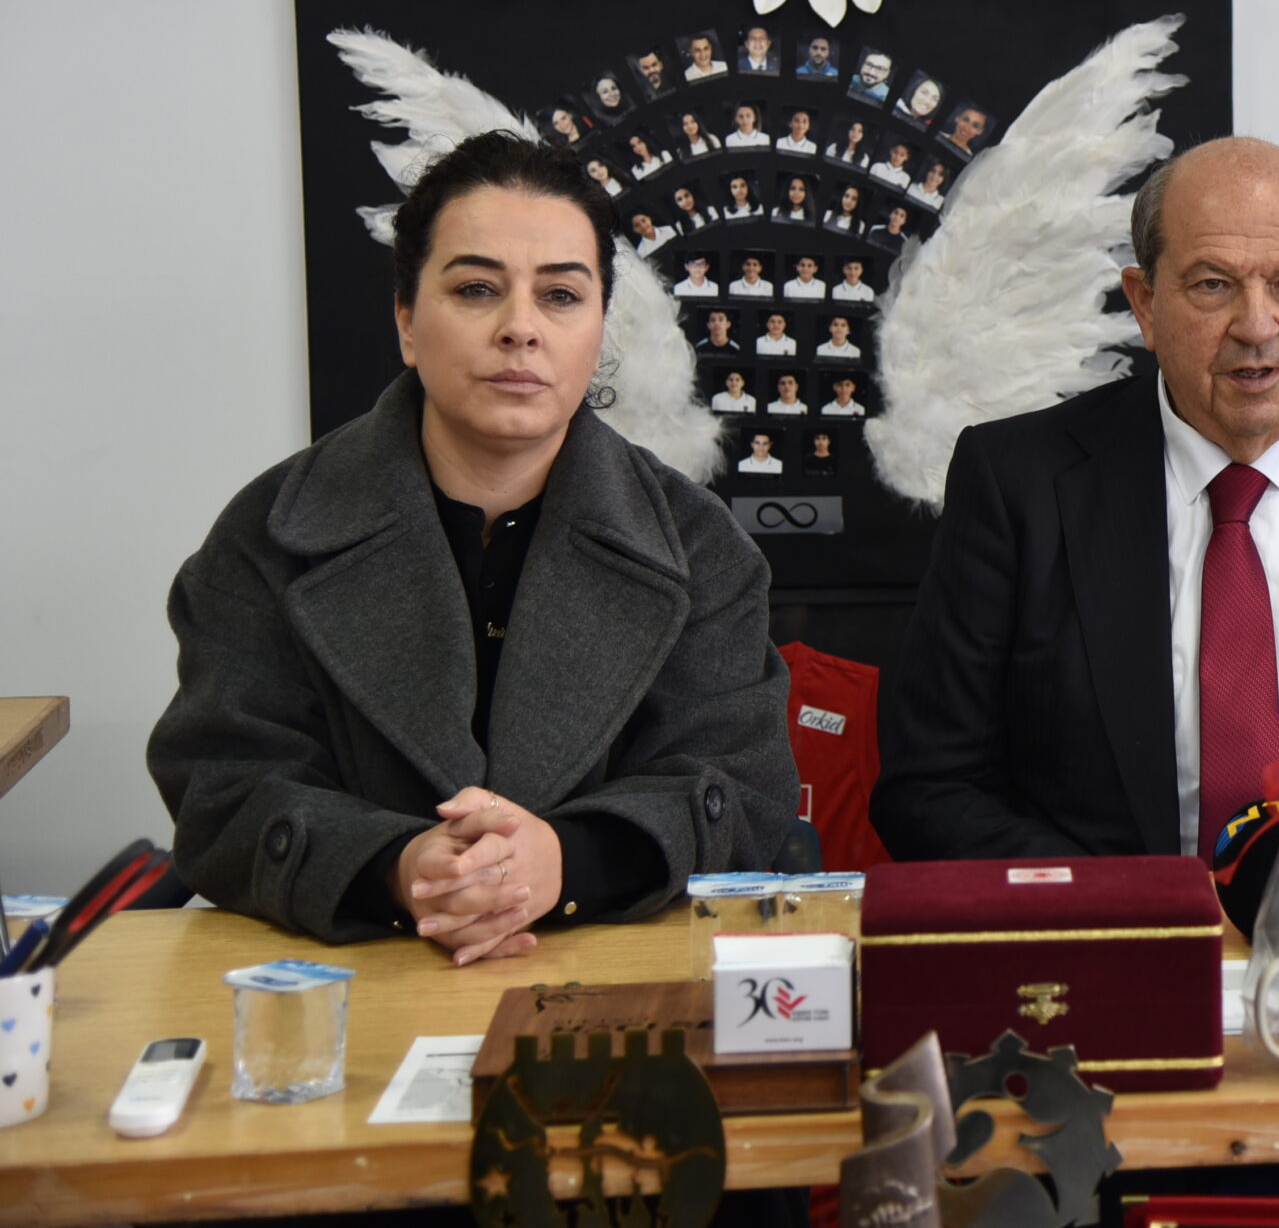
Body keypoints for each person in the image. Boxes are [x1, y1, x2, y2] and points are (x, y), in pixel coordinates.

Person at [146, 131, 794, 959]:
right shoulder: (270, 532)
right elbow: (223, 789)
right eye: (477, 288)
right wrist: (398, 865)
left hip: (608, 973)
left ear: (599, 328)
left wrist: (561, 862)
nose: (520, 327)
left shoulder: (701, 547)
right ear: (407, 321)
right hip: (346, 973)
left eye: (561, 295)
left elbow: (742, 792)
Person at [874, 136, 1279, 861]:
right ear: (1145, 303)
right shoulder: (1017, 483)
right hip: (1115, 923)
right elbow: (931, 788)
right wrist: (1128, 907)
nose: (1256, 326)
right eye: (1213, 285)